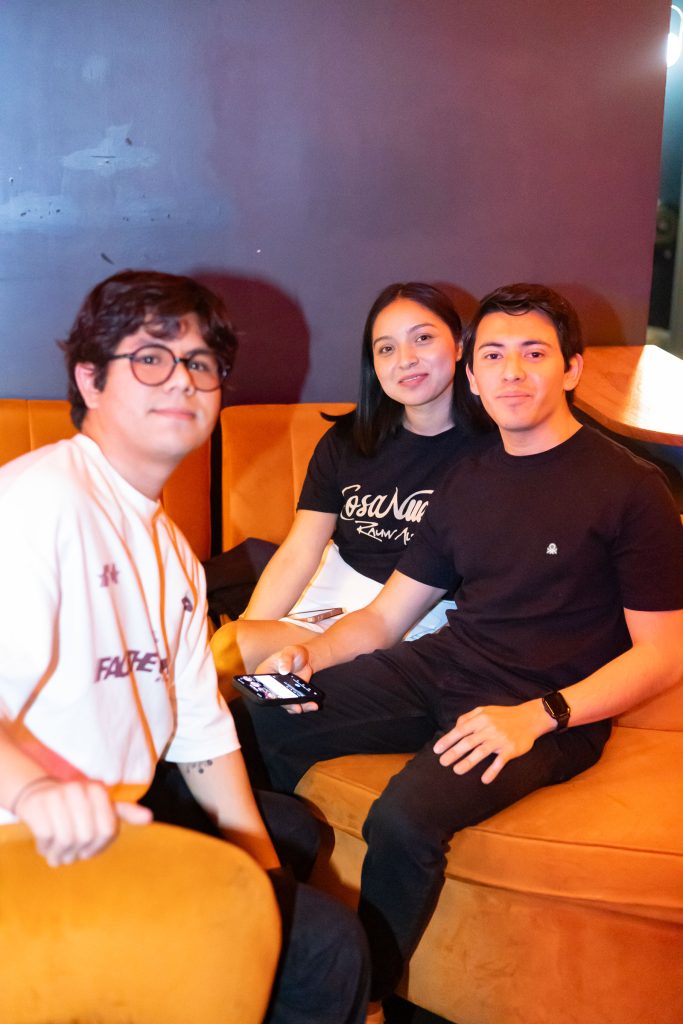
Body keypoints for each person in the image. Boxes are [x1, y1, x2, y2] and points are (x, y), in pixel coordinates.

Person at [241, 283, 683, 1023]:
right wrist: (310, 657)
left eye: (534, 353)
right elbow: (385, 618)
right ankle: (263, 921)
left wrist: (540, 715)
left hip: (545, 706)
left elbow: (664, 655)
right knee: (257, 711)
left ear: (572, 368)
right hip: (445, 664)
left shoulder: (631, 490)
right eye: (495, 356)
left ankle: (361, 1000)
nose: (512, 372)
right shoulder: (466, 480)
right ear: (472, 376)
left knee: (403, 819)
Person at [0, 270, 369, 1024]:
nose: (183, 379)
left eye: (201, 362)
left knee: (289, 842)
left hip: (113, 814)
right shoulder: (39, 503)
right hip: (28, 841)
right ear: (90, 380)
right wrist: (34, 793)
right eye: (151, 357)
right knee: (327, 948)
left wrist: (264, 887)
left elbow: (201, 732)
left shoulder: (169, 550)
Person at [211, 281, 492, 682]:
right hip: (332, 601)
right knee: (228, 649)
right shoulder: (348, 441)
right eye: (386, 349)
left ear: (460, 345)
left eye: (423, 338)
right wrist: (250, 628)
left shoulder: (493, 450)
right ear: (373, 364)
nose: (406, 360)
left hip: (423, 622)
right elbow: (300, 550)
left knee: (309, 684)